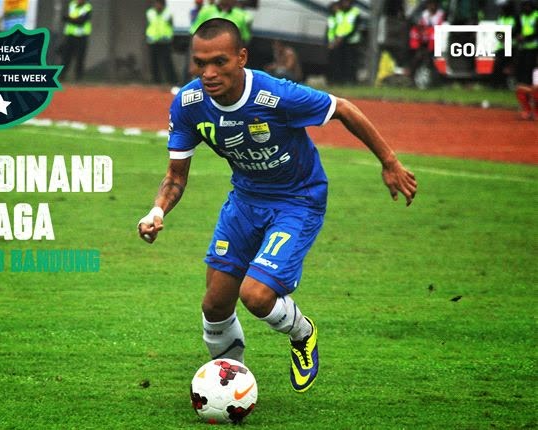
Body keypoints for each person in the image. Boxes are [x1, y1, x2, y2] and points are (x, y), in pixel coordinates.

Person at [138, 19, 417, 393]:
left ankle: (302, 333)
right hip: (245, 200)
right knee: (215, 306)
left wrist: (389, 162)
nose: (208, 73)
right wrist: (156, 211)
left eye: (219, 62)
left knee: (256, 295)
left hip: (298, 200)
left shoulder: (276, 95)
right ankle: (230, 386)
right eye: (200, 63)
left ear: (241, 58)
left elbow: (344, 108)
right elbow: (175, 176)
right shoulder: (189, 104)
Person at [146, 0, 178, 85]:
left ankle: (171, 80)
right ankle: (156, 81)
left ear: (163, 5)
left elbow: (171, 25)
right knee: (154, 62)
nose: (157, 5)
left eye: (159, 4)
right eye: (156, 3)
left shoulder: (168, 13)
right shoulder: (150, 13)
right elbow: (149, 26)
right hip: (153, 41)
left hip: (165, 41)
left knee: (167, 62)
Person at [515, 0, 538, 119]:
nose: (525, 8)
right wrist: (518, 37)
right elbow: (516, 30)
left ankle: (536, 111)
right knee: (521, 87)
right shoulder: (521, 17)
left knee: (535, 87)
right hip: (525, 50)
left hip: (534, 49)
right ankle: (527, 110)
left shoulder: (536, 16)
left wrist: (526, 38)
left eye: (528, 6)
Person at [61, 0, 92, 81]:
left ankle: (78, 78)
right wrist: (72, 19)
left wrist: (69, 19)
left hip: (82, 37)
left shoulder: (87, 8)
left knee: (80, 58)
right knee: (66, 57)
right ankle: (62, 76)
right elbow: (64, 17)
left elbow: (81, 22)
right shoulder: (72, 4)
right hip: (70, 36)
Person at [492, 1, 519, 89]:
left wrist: (507, 38)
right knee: (498, 65)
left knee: (509, 66)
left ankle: (508, 85)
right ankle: (497, 84)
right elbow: (497, 32)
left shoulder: (515, 18)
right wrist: (501, 38)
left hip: (511, 46)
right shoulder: (501, 17)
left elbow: (517, 31)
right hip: (501, 46)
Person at [334, 0, 362, 83]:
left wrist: (343, 37)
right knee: (341, 61)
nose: (345, 3)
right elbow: (338, 26)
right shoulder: (340, 12)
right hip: (340, 41)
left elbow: (354, 28)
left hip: (352, 41)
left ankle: (351, 80)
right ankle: (341, 80)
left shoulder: (355, 12)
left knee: (351, 62)